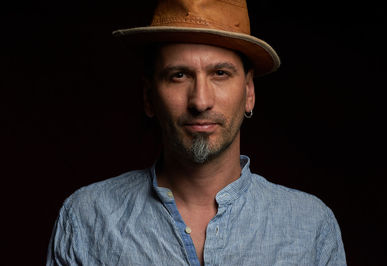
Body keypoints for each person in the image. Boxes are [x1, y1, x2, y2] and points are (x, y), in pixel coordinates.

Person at [47, 0, 346, 265]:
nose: (200, 101)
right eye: (179, 75)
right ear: (149, 97)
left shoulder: (310, 226)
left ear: (249, 91)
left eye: (220, 73)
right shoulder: (87, 219)